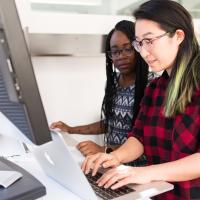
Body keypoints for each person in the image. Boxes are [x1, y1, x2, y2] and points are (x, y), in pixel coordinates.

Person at [81, 0, 200, 199]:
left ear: (178, 36)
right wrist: (113, 157)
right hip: (159, 194)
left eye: (149, 40)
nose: (143, 52)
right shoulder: (154, 89)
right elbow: (139, 137)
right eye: (139, 43)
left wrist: (143, 173)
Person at [50, 20, 155, 166]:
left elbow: (148, 139)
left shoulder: (152, 85)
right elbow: (109, 123)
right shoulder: (114, 82)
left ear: (139, 48)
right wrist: (70, 129)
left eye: (128, 49)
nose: (121, 56)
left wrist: (104, 150)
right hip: (112, 163)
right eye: (115, 51)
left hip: (138, 168)